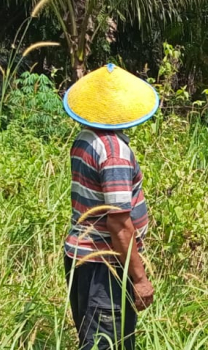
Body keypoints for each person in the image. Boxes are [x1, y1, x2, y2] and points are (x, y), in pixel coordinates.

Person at [62, 63, 160, 350]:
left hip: (83, 258)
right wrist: (140, 280)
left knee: (92, 337)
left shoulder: (85, 139)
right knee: (108, 341)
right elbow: (118, 224)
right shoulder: (115, 152)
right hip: (104, 265)